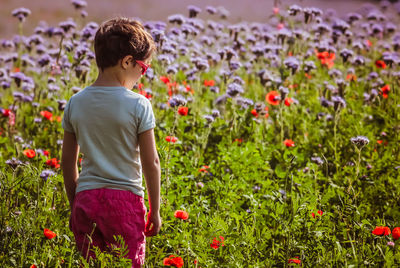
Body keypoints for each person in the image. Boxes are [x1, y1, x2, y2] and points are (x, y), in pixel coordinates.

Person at [61, 17, 161, 267]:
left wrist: (76, 201)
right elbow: (152, 162)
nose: (142, 75)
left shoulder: (76, 102)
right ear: (127, 61)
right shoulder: (139, 104)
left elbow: (67, 162)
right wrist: (155, 210)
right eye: (144, 68)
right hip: (124, 203)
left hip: (87, 199)